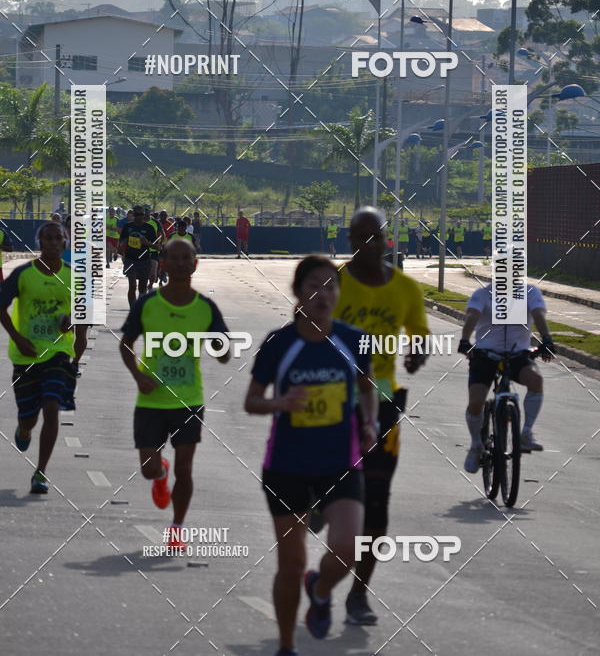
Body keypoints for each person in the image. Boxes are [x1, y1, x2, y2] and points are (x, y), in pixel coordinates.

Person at [244, 255, 378, 656]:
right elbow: (252, 401)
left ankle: (319, 589)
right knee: (290, 562)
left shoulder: (354, 340)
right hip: (287, 467)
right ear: (299, 293)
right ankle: (286, 646)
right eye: (315, 285)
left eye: (331, 285)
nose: (324, 293)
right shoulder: (279, 343)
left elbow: (368, 389)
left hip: (340, 463)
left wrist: (369, 424)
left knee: (350, 546)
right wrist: (281, 402)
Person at [333, 206, 429, 625]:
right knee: (329, 495)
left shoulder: (405, 288)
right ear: (351, 241)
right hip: (334, 402)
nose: (373, 245)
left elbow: (421, 336)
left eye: (379, 237)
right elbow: (304, 329)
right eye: (363, 237)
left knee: (377, 503)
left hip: (385, 402)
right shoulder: (333, 284)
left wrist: (417, 354)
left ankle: (359, 594)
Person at [120, 237, 230, 547]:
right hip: (151, 400)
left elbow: (223, 350)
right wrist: (138, 375)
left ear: (196, 263)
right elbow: (126, 344)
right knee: (148, 469)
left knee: (185, 467)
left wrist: (221, 346)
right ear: (163, 264)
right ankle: (159, 473)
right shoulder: (148, 303)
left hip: (189, 400)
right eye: (174, 258)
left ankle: (177, 528)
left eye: (187, 258)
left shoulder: (206, 307)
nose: (181, 263)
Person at [0, 221, 87, 494]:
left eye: (57, 238)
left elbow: (83, 319)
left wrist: (72, 331)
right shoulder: (23, 274)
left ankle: (41, 472)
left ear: (65, 243)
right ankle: (24, 429)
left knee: (51, 406)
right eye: (47, 238)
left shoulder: (75, 278)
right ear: (40, 242)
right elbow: (1, 306)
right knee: (29, 417)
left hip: (59, 353)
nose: (52, 243)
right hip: (26, 355)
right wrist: (18, 338)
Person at [457, 282, 555, 471]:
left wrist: (547, 340)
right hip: (486, 354)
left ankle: (526, 434)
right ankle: (476, 444)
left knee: (536, 381)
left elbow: (538, 315)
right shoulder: (483, 293)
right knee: (476, 402)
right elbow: (472, 317)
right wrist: (464, 340)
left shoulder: (530, 292)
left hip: (517, 354)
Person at [118, 206, 157, 307]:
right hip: (130, 259)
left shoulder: (149, 228)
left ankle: (139, 308)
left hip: (144, 260)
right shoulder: (127, 227)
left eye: (141, 214)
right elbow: (121, 241)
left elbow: (158, 247)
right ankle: (132, 311)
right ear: (133, 215)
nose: (138, 217)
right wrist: (124, 242)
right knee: (132, 285)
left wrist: (147, 243)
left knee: (142, 288)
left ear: (144, 215)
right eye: (136, 214)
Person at [143, 205, 164, 290]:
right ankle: (143, 284)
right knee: (143, 271)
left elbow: (162, 235)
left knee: (153, 271)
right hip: (140, 250)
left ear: (150, 212)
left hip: (153, 249)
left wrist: (161, 243)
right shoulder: (138, 222)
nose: (145, 213)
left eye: (147, 211)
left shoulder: (156, 222)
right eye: (144, 212)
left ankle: (150, 284)